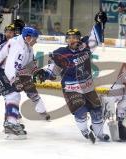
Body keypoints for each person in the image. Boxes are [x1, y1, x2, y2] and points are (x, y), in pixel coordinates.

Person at [33, 11, 109, 143]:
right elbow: (53, 71)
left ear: (79, 38)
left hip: (88, 87)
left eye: (75, 37)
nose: (72, 40)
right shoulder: (60, 54)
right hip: (71, 88)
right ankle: (85, 131)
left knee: (97, 111)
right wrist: (43, 74)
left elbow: (95, 36)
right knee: (80, 110)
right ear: (66, 40)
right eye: (69, 37)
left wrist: (99, 22)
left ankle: (100, 133)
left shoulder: (85, 46)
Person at [0, 26, 49, 139]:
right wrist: (14, 81)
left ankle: (10, 122)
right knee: (13, 94)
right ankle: (11, 124)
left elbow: (28, 64)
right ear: (28, 37)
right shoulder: (19, 48)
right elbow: (10, 68)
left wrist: (37, 71)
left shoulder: (27, 45)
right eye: (34, 38)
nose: (36, 40)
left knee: (11, 95)